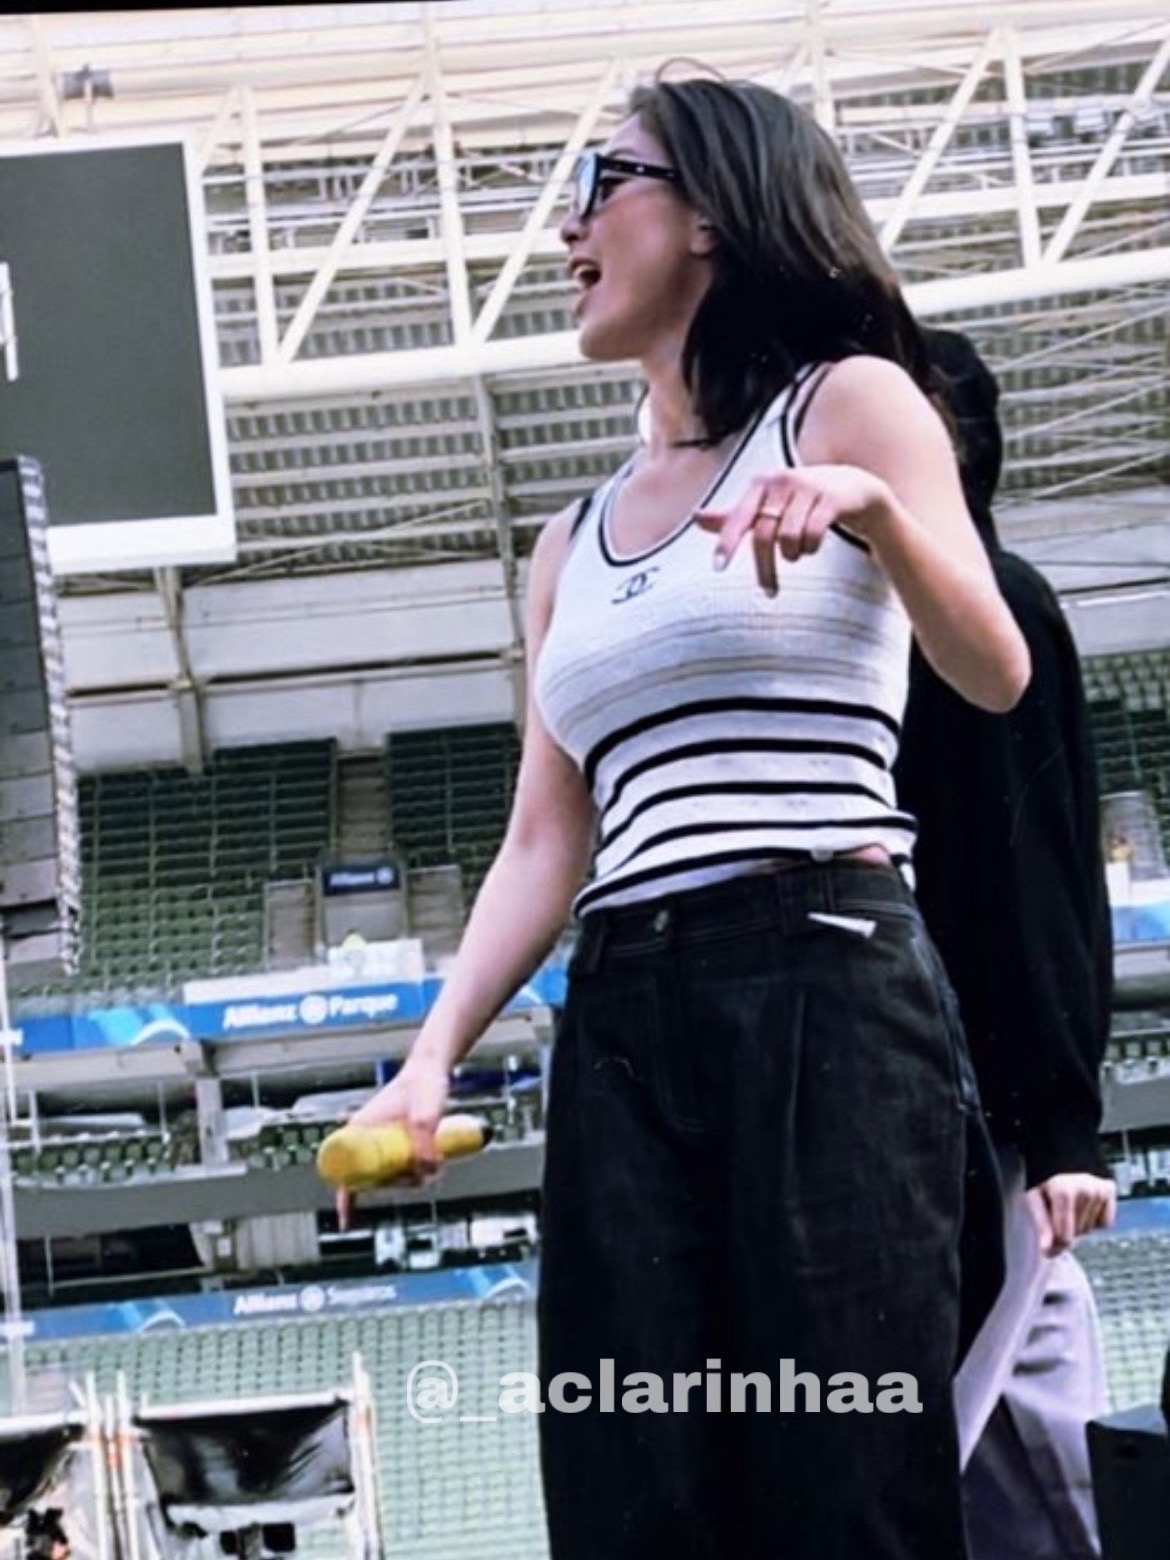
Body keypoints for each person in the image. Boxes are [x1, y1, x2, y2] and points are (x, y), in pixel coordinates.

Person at [342, 74, 1030, 1560]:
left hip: (823, 971)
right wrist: (429, 1055)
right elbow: (546, 836)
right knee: (628, 1488)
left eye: (604, 182)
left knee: (846, 1484)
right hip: (621, 1006)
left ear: (711, 210)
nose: (567, 227)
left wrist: (873, 509)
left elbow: (993, 669)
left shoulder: (851, 404)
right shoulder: (566, 541)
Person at [895, 326, 1116, 1560]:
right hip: (952, 1101)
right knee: (1042, 1462)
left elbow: (1039, 875)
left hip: (981, 1115)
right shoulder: (893, 607)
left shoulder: (992, 604)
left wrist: (1063, 1127)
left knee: (917, 1451)